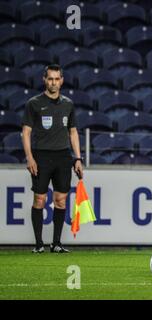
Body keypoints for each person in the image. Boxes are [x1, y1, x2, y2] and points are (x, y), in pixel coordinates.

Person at [22, 64, 83, 254]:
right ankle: (39, 244)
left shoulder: (68, 104)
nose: (53, 82)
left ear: (62, 80)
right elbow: (25, 133)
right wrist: (30, 157)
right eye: (50, 78)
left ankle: (56, 243)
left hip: (63, 157)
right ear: (44, 79)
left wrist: (78, 158)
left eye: (57, 79)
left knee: (61, 200)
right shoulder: (33, 103)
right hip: (41, 156)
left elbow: (73, 132)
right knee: (39, 199)